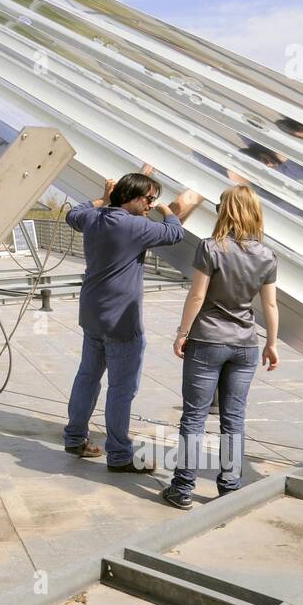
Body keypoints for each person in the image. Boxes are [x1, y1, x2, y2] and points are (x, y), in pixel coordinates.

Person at [63, 169, 203, 471]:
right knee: (121, 390)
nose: (152, 205)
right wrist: (169, 209)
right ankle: (119, 455)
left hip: (92, 315)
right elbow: (174, 232)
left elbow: (73, 214)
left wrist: (104, 197)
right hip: (122, 323)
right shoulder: (135, 227)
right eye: (150, 199)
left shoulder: (94, 218)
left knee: (87, 376)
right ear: (133, 198)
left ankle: (74, 437)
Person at [161, 184, 279, 509]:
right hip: (245, 345)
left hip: (208, 341)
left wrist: (181, 332)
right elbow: (270, 306)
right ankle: (229, 488)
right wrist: (271, 343)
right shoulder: (267, 255)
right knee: (234, 418)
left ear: (225, 212)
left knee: (194, 417)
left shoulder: (210, 248)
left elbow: (197, 295)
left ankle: (182, 489)